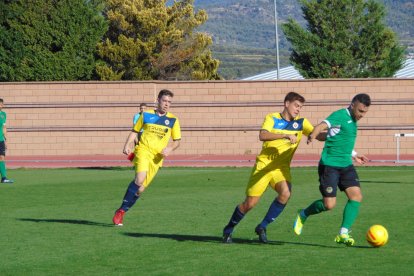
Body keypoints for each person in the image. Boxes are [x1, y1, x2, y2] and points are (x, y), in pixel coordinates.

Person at [222, 92, 323, 243]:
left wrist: (333, 134)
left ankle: (262, 226)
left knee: (285, 194)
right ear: (286, 103)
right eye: (296, 105)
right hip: (264, 167)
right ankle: (228, 229)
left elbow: (317, 135)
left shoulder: (301, 122)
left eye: (300, 107)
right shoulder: (272, 118)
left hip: (280, 169)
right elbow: (263, 135)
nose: (298, 109)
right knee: (250, 203)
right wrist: (283, 135)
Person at [293, 93, 371, 246]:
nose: (362, 115)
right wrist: (313, 135)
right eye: (360, 111)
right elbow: (322, 125)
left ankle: (343, 233)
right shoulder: (340, 115)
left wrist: (354, 155)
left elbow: (341, 140)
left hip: (346, 165)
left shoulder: (353, 120)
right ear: (353, 104)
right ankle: (304, 214)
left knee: (356, 196)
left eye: (365, 112)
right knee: (329, 205)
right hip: (330, 166)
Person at [113, 89, 181, 226]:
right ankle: (120, 213)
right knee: (140, 178)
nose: (167, 104)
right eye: (164, 101)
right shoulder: (146, 115)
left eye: (169, 102)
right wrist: (127, 144)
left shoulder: (173, 120)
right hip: (143, 150)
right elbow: (135, 131)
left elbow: (177, 141)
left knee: (140, 189)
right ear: (158, 101)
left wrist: (170, 148)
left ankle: (122, 210)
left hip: (157, 158)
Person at [0, 99, 14, 184]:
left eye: (2, 104)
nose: (1, 105)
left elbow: (4, 128)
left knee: (2, 157)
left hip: (1, 139)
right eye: (0, 104)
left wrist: (6, 140)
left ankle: (4, 178)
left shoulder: (3, 114)